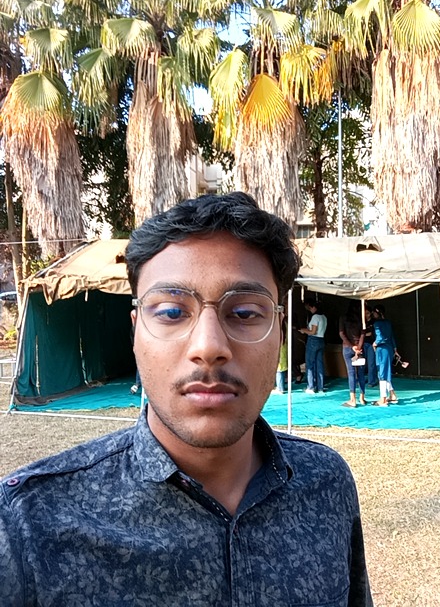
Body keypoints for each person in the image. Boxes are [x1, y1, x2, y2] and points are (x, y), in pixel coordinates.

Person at [0, 192, 372, 606]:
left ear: (279, 333)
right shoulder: (26, 525)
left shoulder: (326, 483)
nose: (209, 346)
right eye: (172, 312)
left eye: (245, 313)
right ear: (136, 332)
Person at [339, 300, 367, 407]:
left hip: (347, 348)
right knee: (361, 373)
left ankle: (352, 400)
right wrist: (358, 348)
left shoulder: (343, 317)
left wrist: (352, 346)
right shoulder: (361, 319)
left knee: (351, 373)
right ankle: (362, 398)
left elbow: (341, 333)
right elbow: (363, 334)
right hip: (359, 348)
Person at [372, 303, 399, 406]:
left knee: (382, 373)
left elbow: (380, 337)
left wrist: (375, 343)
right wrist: (395, 348)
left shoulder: (377, 324)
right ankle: (392, 395)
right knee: (386, 371)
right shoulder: (388, 322)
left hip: (382, 349)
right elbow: (391, 336)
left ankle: (383, 399)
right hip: (389, 348)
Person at [299, 298, 327, 393]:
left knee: (310, 364)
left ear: (314, 307)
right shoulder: (324, 317)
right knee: (319, 364)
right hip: (321, 340)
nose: (310, 309)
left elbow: (313, 332)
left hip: (313, 341)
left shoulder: (315, 317)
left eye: (310, 307)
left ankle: (310, 387)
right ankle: (320, 387)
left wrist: (303, 330)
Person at [363, 306, 378, 388]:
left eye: (367, 313)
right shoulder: (362, 321)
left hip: (371, 344)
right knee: (361, 363)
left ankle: (371, 381)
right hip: (362, 344)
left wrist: (364, 335)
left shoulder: (374, 322)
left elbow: (372, 333)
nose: (366, 315)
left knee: (371, 363)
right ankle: (361, 380)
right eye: (364, 313)